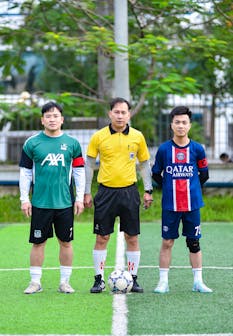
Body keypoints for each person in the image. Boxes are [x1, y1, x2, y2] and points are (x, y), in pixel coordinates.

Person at [84, 97, 153, 293]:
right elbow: (89, 164)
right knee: (102, 237)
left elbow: (144, 165)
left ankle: (133, 278)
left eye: (124, 112)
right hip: (105, 192)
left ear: (129, 114)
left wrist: (148, 190)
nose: (120, 115)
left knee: (132, 237)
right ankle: (99, 280)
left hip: (129, 192)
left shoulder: (138, 137)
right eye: (117, 112)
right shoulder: (98, 136)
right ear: (110, 114)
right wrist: (86, 193)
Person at [19, 101, 85, 294]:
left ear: (62, 119)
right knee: (38, 242)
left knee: (66, 242)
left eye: (56, 116)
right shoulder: (32, 143)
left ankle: (65, 282)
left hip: (64, 202)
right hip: (40, 202)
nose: (52, 119)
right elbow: (25, 173)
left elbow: (79, 172)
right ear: (42, 120)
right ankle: (35, 282)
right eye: (48, 116)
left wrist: (79, 198)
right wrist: (25, 199)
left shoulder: (72, 144)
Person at [152, 106, 212, 294]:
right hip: (171, 205)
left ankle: (198, 282)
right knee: (167, 242)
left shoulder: (197, 149)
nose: (180, 125)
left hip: (192, 204)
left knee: (194, 242)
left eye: (184, 122)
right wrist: (168, 187)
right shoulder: (164, 149)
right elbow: (156, 174)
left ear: (190, 125)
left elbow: (204, 174)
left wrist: (192, 187)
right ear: (171, 125)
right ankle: (163, 282)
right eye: (177, 122)